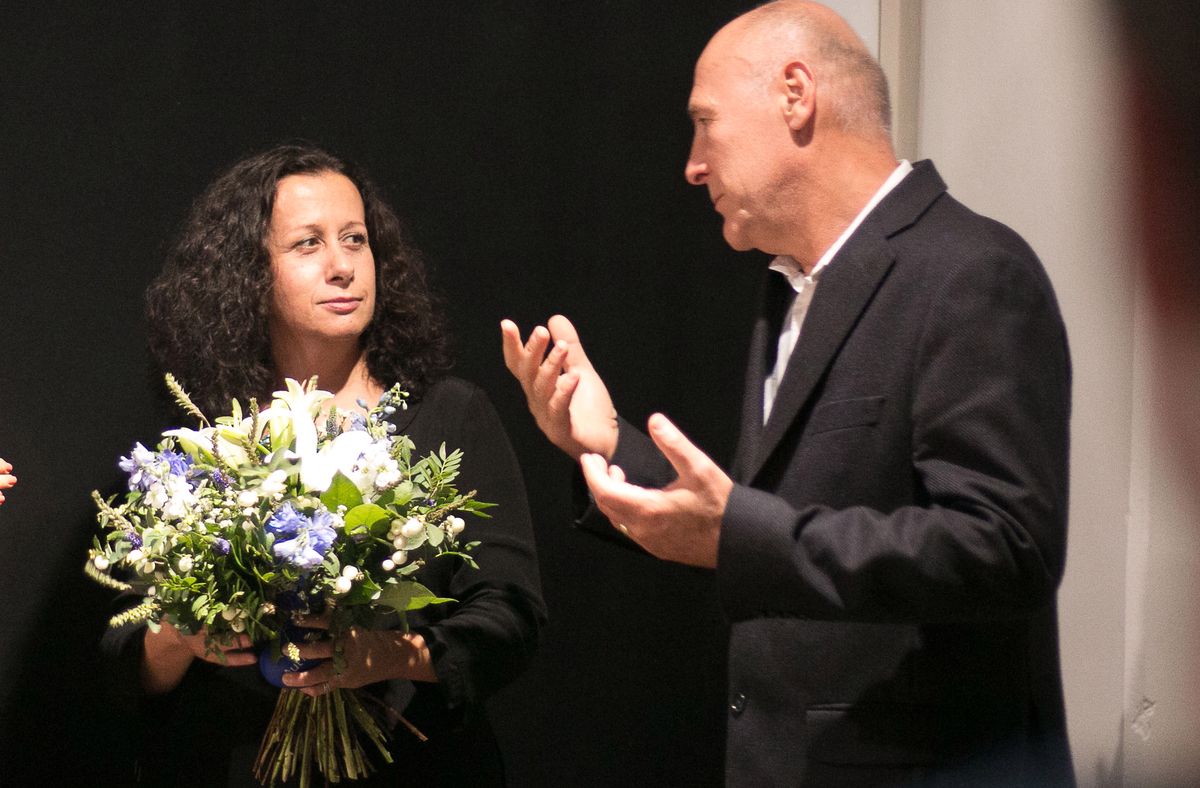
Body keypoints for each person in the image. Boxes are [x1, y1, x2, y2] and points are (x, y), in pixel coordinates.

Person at [502, 1, 1071, 784]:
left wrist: (741, 533)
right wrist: (608, 442)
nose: (693, 165)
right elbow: (769, 519)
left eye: (706, 123)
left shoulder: (971, 274)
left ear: (795, 95)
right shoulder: (791, 290)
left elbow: (1004, 547)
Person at [105, 143, 546, 786]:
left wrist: (384, 655)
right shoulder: (209, 431)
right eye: (308, 244)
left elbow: (511, 618)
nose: (343, 267)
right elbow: (122, 664)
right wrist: (179, 635)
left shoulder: (452, 415)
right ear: (249, 273)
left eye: (355, 240)